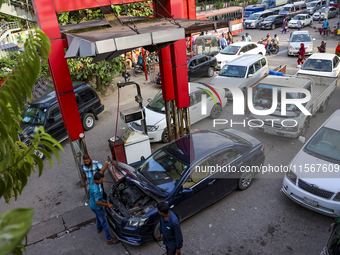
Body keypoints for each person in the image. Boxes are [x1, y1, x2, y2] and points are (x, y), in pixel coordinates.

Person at [89, 172, 119, 245]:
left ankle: (98, 228)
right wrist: (108, 204)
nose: (102, 181)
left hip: (92, 205)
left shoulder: (92, 179)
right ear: (96, 180)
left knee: (98, 216)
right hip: (96, 206)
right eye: (101, 180)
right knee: (104, 222)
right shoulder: (95, 190)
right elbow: (97, 202)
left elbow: (101, 171)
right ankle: (109, 239)